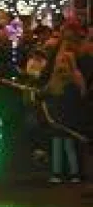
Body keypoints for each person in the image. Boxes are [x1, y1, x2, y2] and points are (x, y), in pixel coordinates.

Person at [41, 51, 87, 183]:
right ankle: (57, 172)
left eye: (65, 62)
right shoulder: (54, 81)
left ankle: (74, 173)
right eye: (60, 61)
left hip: (69, 120)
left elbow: (77, 101)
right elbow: (45, 95)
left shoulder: (75, 81)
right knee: (57, 147)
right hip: (56, 119)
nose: (62, 65)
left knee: (69, 146)